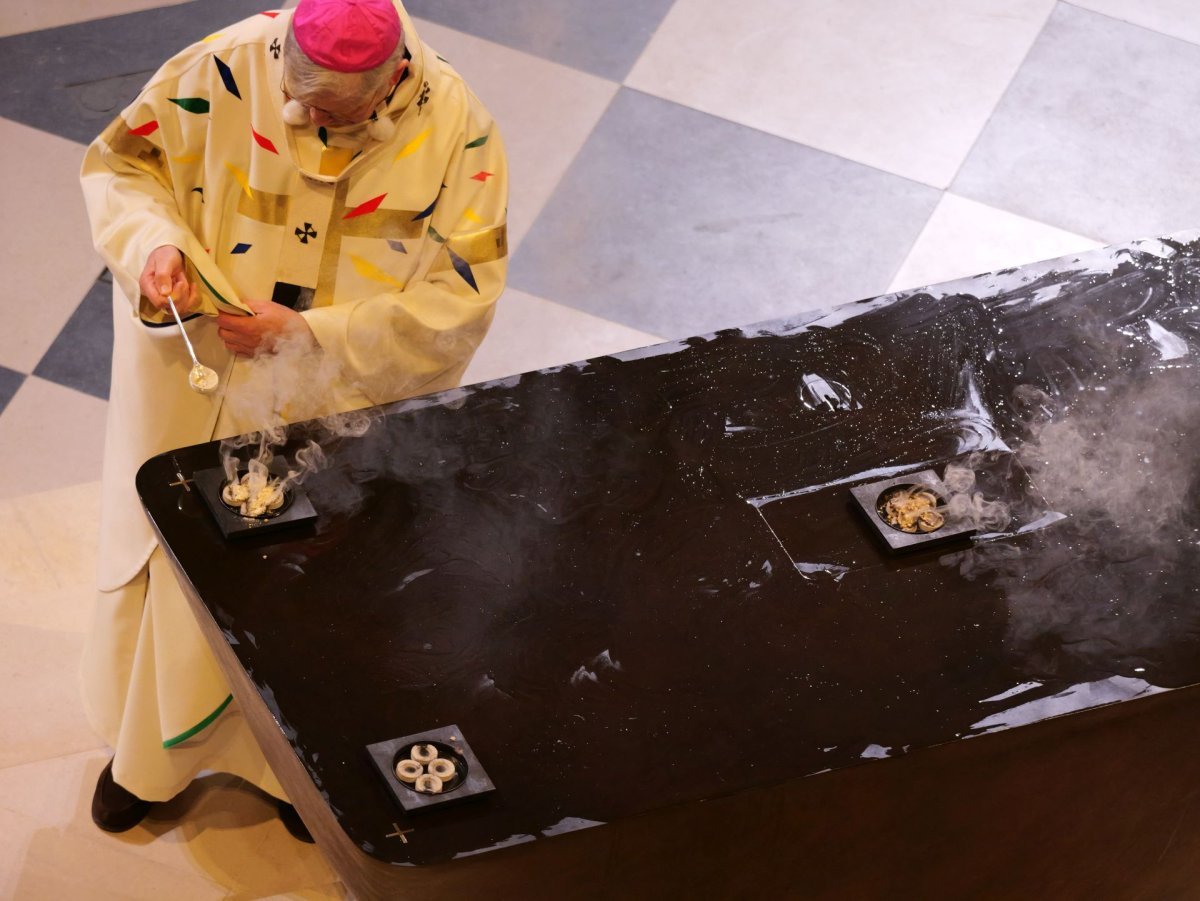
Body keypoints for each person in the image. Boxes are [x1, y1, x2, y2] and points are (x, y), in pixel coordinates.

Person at [79, 0, 508, 839]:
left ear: (389, 82)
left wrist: (311, 336)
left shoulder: (459, 127)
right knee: (179, 562)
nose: (305, 121)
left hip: (330, 401)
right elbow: (124, 170)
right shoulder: (224, 67)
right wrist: (153, 249)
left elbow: (465, 294)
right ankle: (146, 763)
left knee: (304, 585)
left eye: (333, 111)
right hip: (198, 378)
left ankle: (292, 777)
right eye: (296, 98)